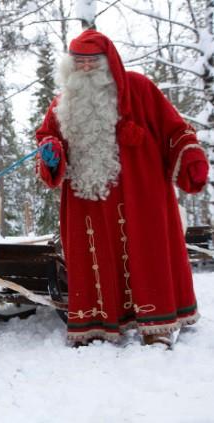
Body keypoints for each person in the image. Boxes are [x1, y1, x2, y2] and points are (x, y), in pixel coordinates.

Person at [35, 29, 209, 348]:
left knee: (149, 253)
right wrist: (50, 151)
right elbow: (48, 137)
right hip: (87, 200)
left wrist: (192, 156)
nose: (85, 68)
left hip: (141, 193)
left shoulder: (140, 89)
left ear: (108, 61)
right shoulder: (62, 103)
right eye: (79, 62)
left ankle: (157, 323)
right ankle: (96, 325)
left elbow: (175, 129)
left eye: (93, 62)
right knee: (93, 258)